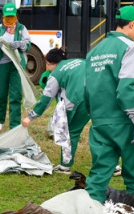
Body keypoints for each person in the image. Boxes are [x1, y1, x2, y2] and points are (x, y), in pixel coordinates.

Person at [85, 5, 134, 201]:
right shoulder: (130, 48)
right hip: (123, 121)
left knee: (99, 175)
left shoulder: (95, 51)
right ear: (132, 24)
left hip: (99, 121)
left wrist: (94, 115)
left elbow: (86, 89)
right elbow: (125, 90)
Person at [23, 47, 88, 175]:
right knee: (100, 132)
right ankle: (112, 166)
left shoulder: (55, 74)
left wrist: (30, 117)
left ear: (49, 63)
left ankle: (65, 166)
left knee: (69, 133)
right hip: (96, 100)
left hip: (74, 103)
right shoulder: (82, 62)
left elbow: (46, 99)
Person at [0, 2, 31, 131]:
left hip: (17, 66)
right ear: (3, 16)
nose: (10, 19)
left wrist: (19, 44)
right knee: (1, 93)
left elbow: (28, 44)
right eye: (7, 17)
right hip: (2, 65)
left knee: (16, 95)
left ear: (16, 16)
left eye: (12, 17)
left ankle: (14, 124)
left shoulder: (21, 28)